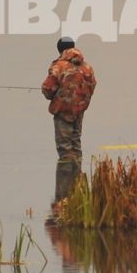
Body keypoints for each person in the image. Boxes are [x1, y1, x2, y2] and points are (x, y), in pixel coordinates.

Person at [42, 35, 96, 206]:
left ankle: (65, 193)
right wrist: (81, 101)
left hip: (63, 111)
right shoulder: (87, 67)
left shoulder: (58, 67)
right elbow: (93, 85)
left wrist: (55, 95)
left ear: (60, 49)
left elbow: (47, 89)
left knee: (65, 150)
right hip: (79, 110)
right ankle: (77, 188)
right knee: (76, 145)